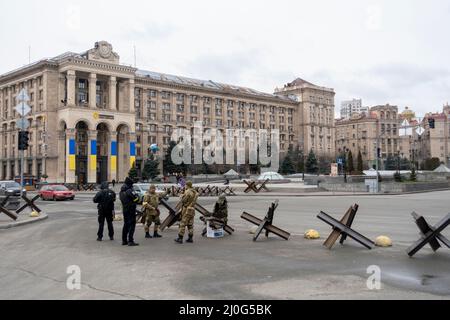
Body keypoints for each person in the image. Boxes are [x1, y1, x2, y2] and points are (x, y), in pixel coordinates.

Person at [120, 177, 140, 246]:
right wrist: (136, 199)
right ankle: (130, 241)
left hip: (125, 209)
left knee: (126, 225)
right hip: (131, 210)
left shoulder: (121, 191)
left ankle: (124, 240)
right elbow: (137, 199)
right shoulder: (130, 190)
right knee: (132, 225)